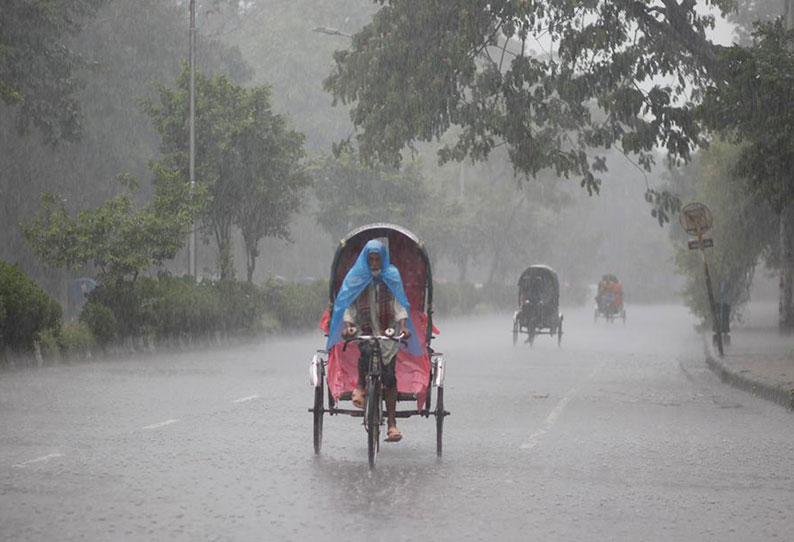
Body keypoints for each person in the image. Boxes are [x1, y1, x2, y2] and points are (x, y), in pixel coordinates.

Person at [325, 239, 421, 442]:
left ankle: (393, 424)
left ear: (383, 259)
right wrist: (349, 325)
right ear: (366, 260)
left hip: (387, 333)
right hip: (365, 329)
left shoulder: (391, 276)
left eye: (378, 259)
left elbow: (399, 305)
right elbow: (349, 305)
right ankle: (360, 387)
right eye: (371, 259)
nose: (375, 263)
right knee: (366, 353)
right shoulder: (357, 277)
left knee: (389, 376)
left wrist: (403, 327)